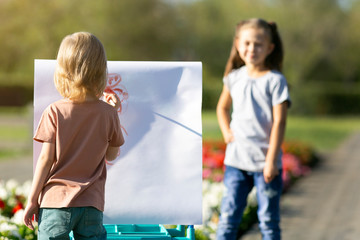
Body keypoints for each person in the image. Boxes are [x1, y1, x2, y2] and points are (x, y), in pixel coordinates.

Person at [23, 32, 125, 240]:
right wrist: (114, 112)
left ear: (63, 70)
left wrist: (32, 200)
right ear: (100, 70)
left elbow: (45, 160)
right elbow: (111, 155)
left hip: (55, 204)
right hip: (91, 206)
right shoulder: (109, 113)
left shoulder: (54, 111)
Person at [216, 18, 291, 240]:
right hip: (236, 163)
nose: (252, 49)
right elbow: (222, 108)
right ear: (238, 44)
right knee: (228, 218)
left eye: (258, 44)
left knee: (268, 221)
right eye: (247, 43)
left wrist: (270, 161)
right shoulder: (233, 78)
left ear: (269, 48)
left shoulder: (276, 81)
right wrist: (226, 131)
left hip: (265, 166)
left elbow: (280, 122)